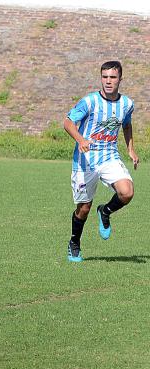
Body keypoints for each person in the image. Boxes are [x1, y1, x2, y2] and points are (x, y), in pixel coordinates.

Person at [63, 60, 139, 262]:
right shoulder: (89, 101)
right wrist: (81, 140)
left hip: (109, 156)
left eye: (112, 77)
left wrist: (130, 149)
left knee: (127, 192)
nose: (108, 81)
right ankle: (74, 243)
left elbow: (127, 125)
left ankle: (105, 211)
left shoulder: (127, 104)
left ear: (120, 79)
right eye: (104, 77)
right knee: (83, 208)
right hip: (85, 160)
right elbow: (68, 122)